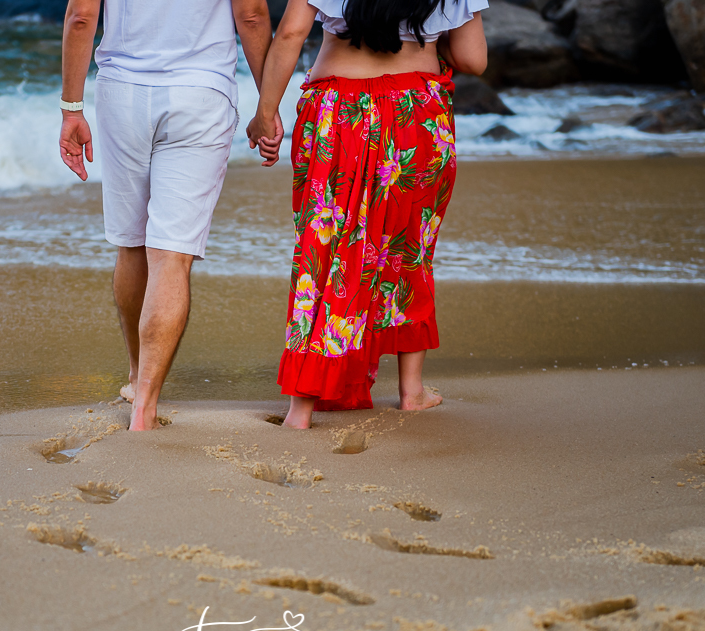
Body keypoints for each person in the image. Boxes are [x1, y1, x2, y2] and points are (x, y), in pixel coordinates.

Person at [247, 0, 488, 428]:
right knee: (408, 250)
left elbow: (290, 34)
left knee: (321, 253)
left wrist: (267, 115)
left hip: (337, 113)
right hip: (418, 113)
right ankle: (411, 391)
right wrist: (425, 40)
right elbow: (473, 59)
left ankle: (301, 408)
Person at [58, 0, 283, 430]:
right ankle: (144, 405)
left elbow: (81, 16)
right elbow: (252, 14)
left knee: (131, 245)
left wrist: (71, 108)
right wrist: (267, 102)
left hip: (122, 92)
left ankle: (133, 372)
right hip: (201, 92)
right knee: (171, 256)